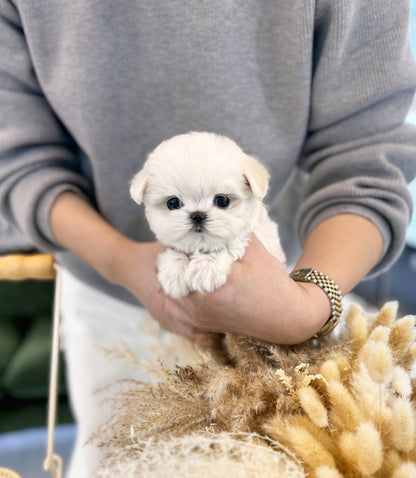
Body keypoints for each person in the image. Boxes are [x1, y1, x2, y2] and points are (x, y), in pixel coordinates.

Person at [1, 1, 416, 476]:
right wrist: (119, 261)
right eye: (175, 204)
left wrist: (308, 304)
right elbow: (18, 160)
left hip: (293, 290)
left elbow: (366, 155)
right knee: (117, 458)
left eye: (221, 201)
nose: (197, 217)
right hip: (107, 289)